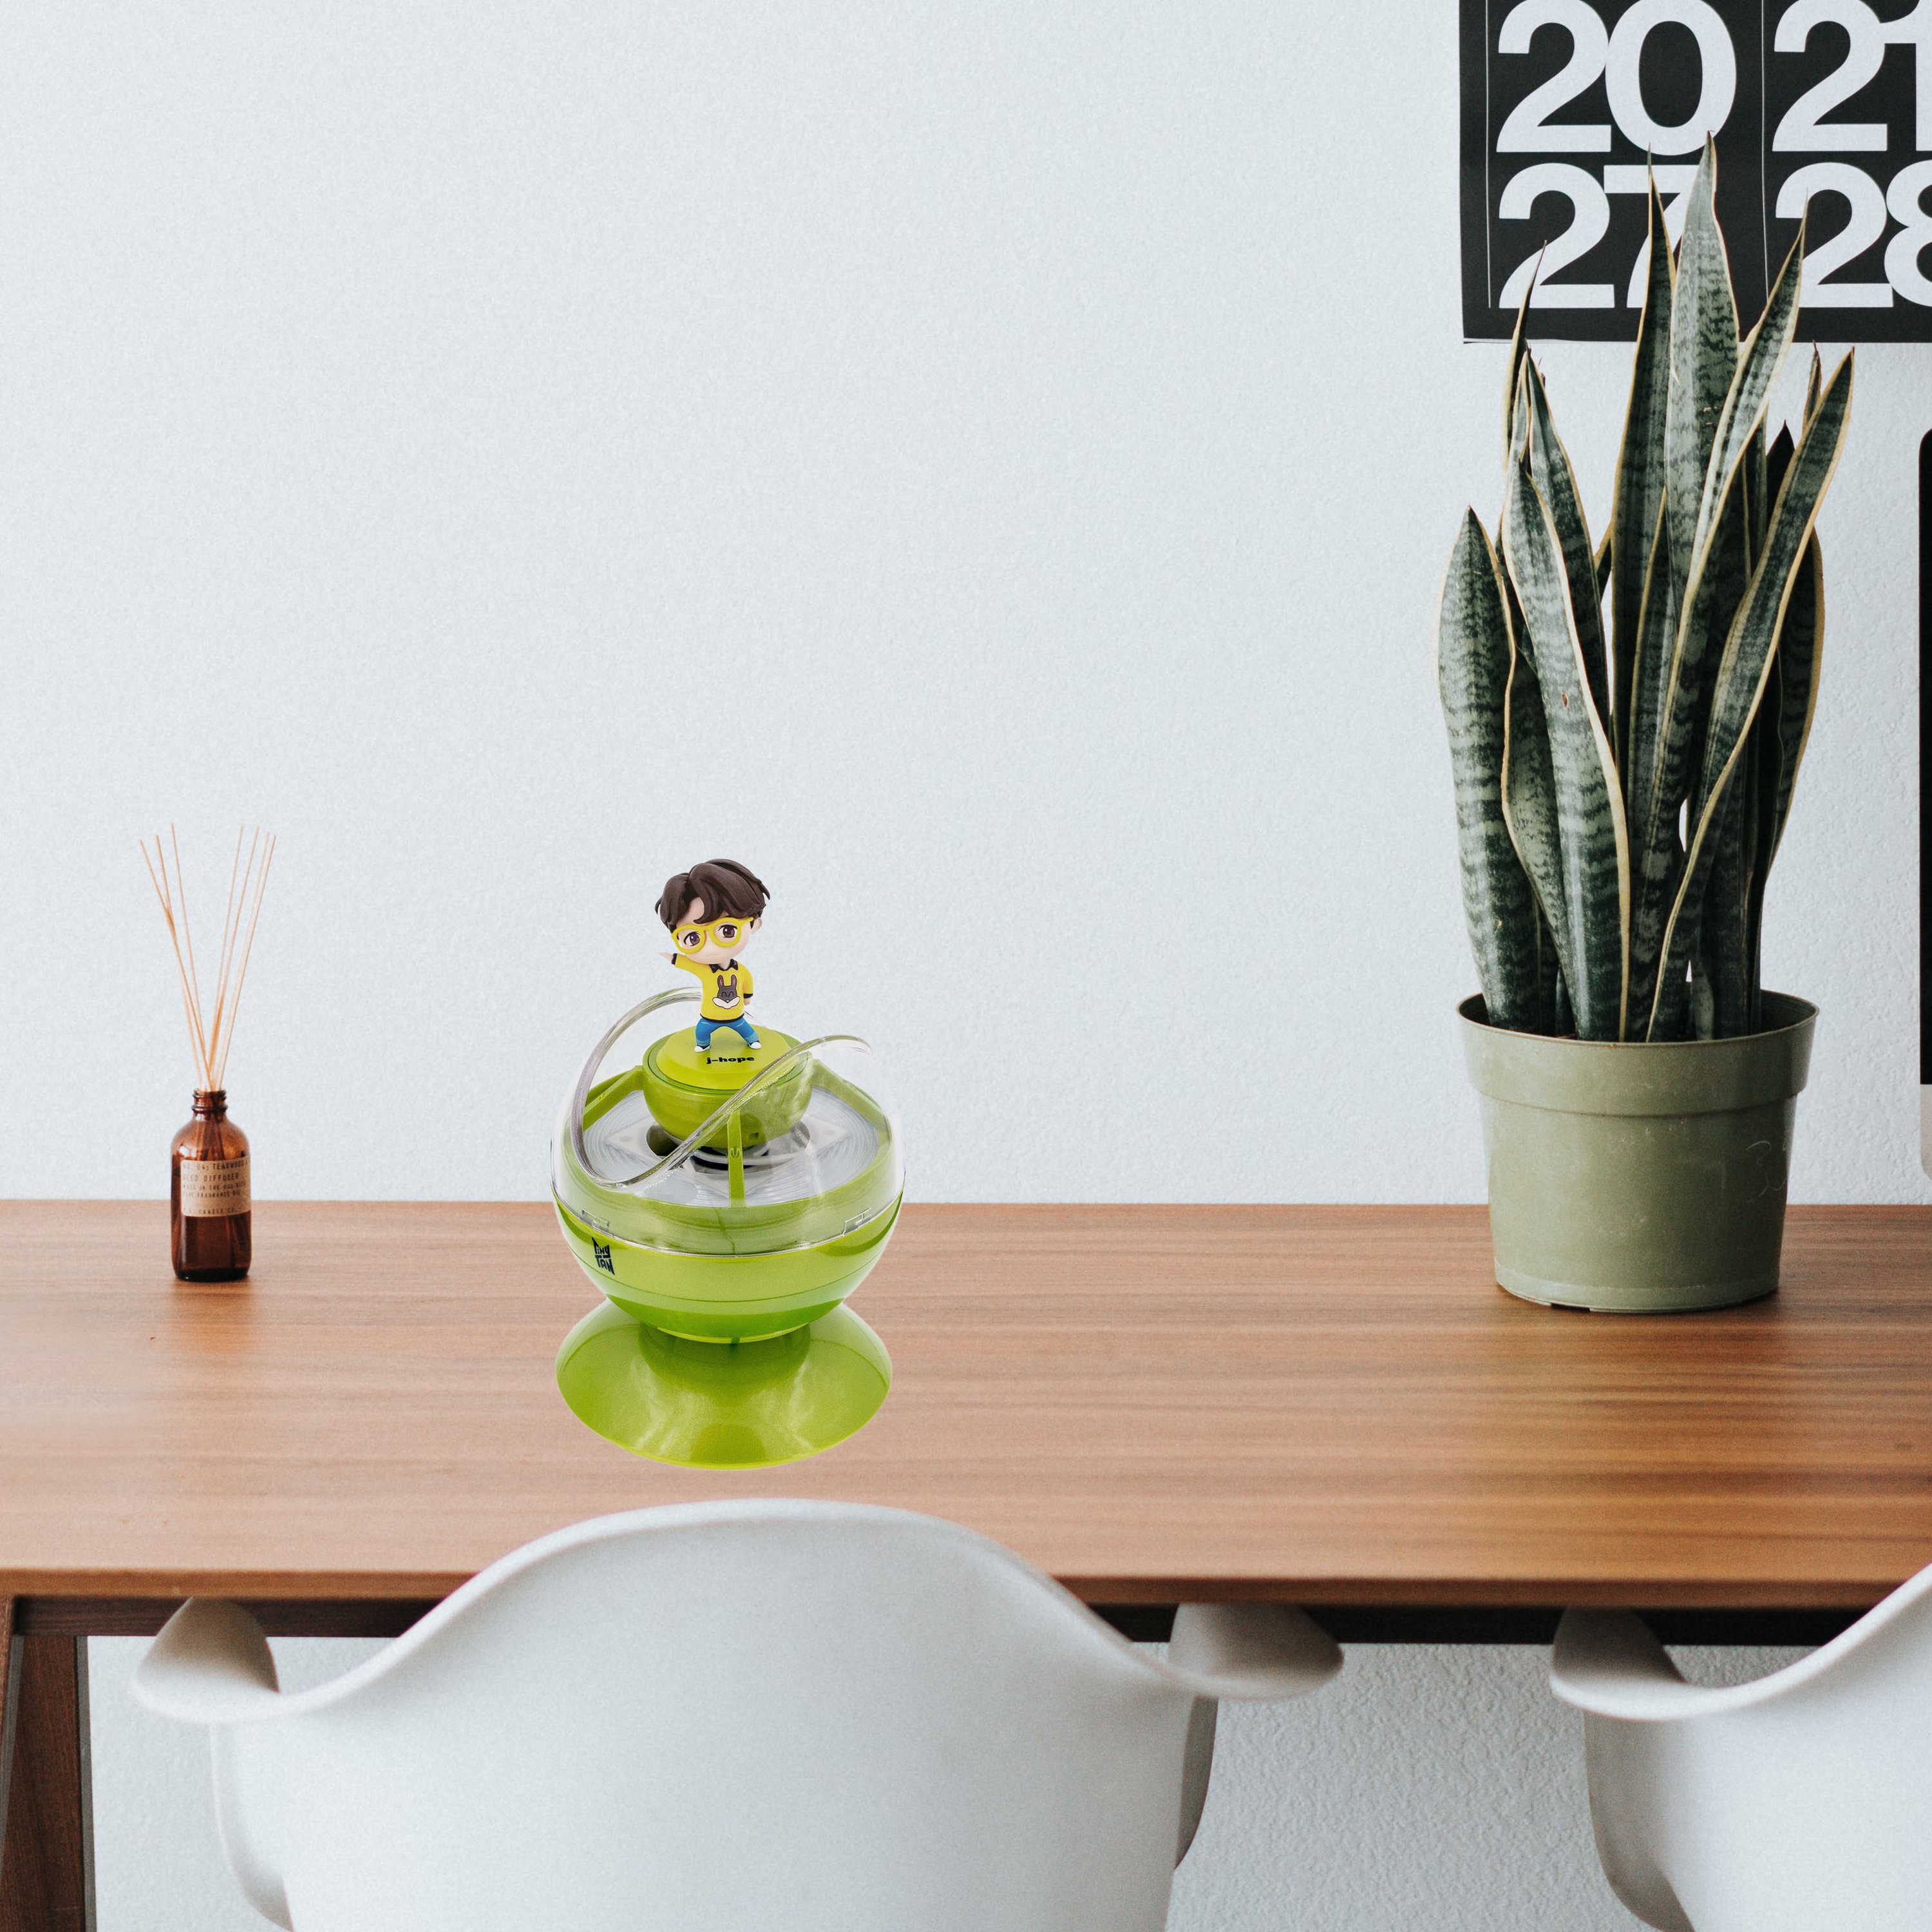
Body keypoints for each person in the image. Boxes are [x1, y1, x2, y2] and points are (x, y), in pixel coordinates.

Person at [656, 859, 768, 1053]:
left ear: (754, 925)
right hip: (709, 1017)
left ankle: (752, 1040)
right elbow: (685, 963)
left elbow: (747, 983)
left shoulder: (740, 971)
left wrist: (747, 999)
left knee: (747, 1031)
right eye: (693, 937)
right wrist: (671, 957)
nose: (709, 948)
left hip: (737, 1017)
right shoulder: (703, 969)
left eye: (726, 931)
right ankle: (703, 1045)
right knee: (701, 1032)